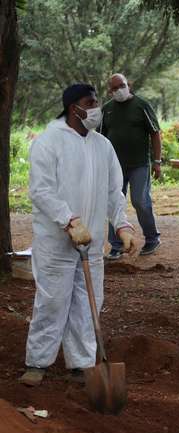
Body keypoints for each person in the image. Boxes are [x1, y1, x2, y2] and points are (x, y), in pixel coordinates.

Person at [19, 84, 138, 387]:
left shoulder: (102, 146)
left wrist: (122, 225)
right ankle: (38, 362)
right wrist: (69, 221)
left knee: (88, 303)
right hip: (56, 242)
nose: (97, 108)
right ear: (74, 108)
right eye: (91, 102)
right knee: (52, 302)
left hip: (92, 242)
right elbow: (41, 190)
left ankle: (82, 363)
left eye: (96, 102)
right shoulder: (49, 142)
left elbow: (113, 191)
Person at [101, 73, 162, 259]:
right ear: (110, 91)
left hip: (139, 164)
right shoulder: (107, 109)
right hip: (114, 167)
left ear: (129, 85)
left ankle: (152, 238)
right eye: (114, 88)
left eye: (122, 85)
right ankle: (117, 245)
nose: (119, 90)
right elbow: (100, 138)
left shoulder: (141, 105)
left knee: (140, 201)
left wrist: (157, 161)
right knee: (113, 204)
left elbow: (155, 133)